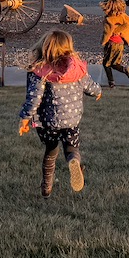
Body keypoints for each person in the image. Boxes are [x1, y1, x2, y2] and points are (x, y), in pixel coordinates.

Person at [17, 29, 101, 198]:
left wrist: (24, 118)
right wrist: (98, 92)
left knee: (51, 151)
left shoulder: (41, 71)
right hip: (71, 120)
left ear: (44, 47)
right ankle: (73, 161)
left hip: (48, 123)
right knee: (71, 147)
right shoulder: (77, 69)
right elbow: (90, 86)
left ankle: (46, 187)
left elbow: (34, 98)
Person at [99, 0, 129, 87]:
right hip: (120, 44)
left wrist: (103, 42)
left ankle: (112, 82)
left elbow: (107, 33)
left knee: (106, 64)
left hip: (111, 44)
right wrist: (124, 30)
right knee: (114, 63)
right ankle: (122, 73)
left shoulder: (109, 20)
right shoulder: (123, 16)